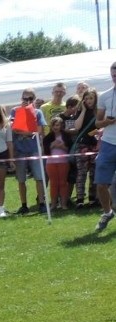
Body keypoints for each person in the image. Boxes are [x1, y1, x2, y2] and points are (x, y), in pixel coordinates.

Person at [9, 89, 47, 214]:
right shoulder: (15, 111)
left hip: (34, 149)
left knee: (39, 177)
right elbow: (14, 129)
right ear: (21, 99)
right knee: (21, 179)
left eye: (31, 99)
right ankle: (24, 205)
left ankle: (41, 203)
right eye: (25, 99)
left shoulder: (38, 112)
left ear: (34, 99)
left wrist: (25, 132)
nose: (28, 101)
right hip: (19, 150)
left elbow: (39, 130)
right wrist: (28, 132)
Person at [93, 61, 116, 232]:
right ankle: (107, 212)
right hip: (108, 142)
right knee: (101, 183)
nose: (115, 77)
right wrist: (106, 122)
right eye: (113, 74)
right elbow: (97, 122)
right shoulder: (105, 95)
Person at [71, 89, 100, 209]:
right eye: (86, 98)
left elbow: (102, 125)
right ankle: (80, 199)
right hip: (82, 145)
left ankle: (93, 198)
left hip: (96, 144)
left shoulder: (99, 111)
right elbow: (76, 127)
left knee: (94, 173)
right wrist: (83, 110)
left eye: (91, 98)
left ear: (95, 99)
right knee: (81, 173)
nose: (88, 101)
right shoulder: (80, 111)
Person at [43, 116, 73, 210]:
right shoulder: (47, 138)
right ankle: (53, 205)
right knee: (53, 183)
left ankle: (63, 204)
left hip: (63, 162)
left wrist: (62, 146)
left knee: (63, 183)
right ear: (51, 126)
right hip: (50, 163)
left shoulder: (66, 136)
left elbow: (70, 149)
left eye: (57, 125)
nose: (55, 127)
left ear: (61, 126)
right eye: (54, 125)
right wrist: (52, 145)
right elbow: (46, 152)